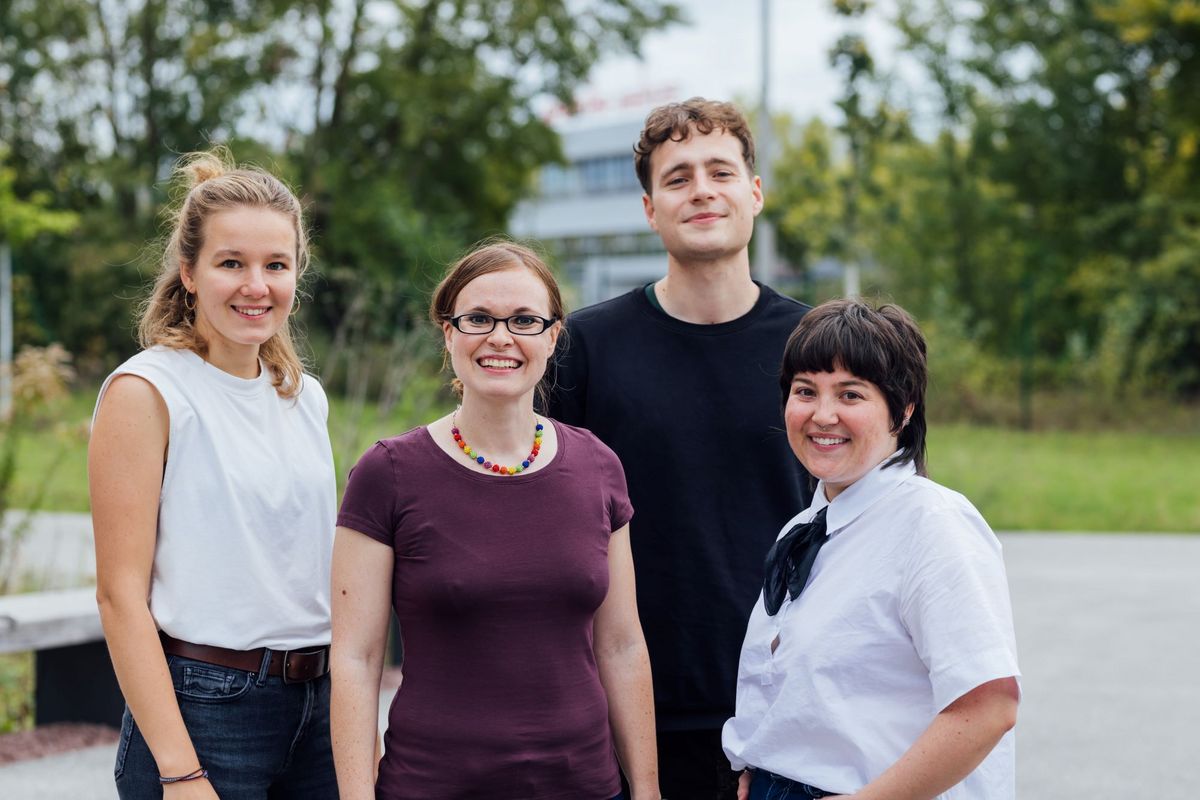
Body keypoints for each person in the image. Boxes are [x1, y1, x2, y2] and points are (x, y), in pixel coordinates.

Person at [546, 97, 811, 799]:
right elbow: (546, 527)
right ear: (649, 208)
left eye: (720, 171)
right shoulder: (585, 348)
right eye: (678, 176)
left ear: (754, 193)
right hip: (625, 702)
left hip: (789, 701)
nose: (701, 189)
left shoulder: (816, 348)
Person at [330, 240, 660, 800]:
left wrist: (647, 790)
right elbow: (357, 660)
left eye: (525, 320)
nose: (500, 337)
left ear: (553, 337)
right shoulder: (387, 473)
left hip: (583, 786)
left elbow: (622, 644)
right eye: (478, 318)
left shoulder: (599, 466)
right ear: (448, 333)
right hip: (433, 786)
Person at [89, 150, 338, 799]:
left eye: (275, 265)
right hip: (205, 710)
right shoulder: (148, 391)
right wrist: (180, 769)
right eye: (232, 263)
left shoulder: (304, 397)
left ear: (295, 275)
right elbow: (120, 597)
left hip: (318, 707)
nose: (256, 286)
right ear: (189, 273)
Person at [722, 298, 1021, 800]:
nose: (822, 415)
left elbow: (989, 707)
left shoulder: (933, 525)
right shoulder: (804, 525)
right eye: (805, 391)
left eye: (851, 395)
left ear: (902, 410)